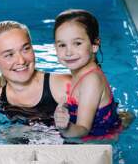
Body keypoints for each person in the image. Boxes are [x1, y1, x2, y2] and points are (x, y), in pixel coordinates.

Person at [53, 9, 131, 140]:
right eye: (62, 45)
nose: (68, 52)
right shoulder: (82, 72)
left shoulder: (91, 81)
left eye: (77, 43)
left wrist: (65, 127)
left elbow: (83, 130)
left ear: (95, 45)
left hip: (97, 141)